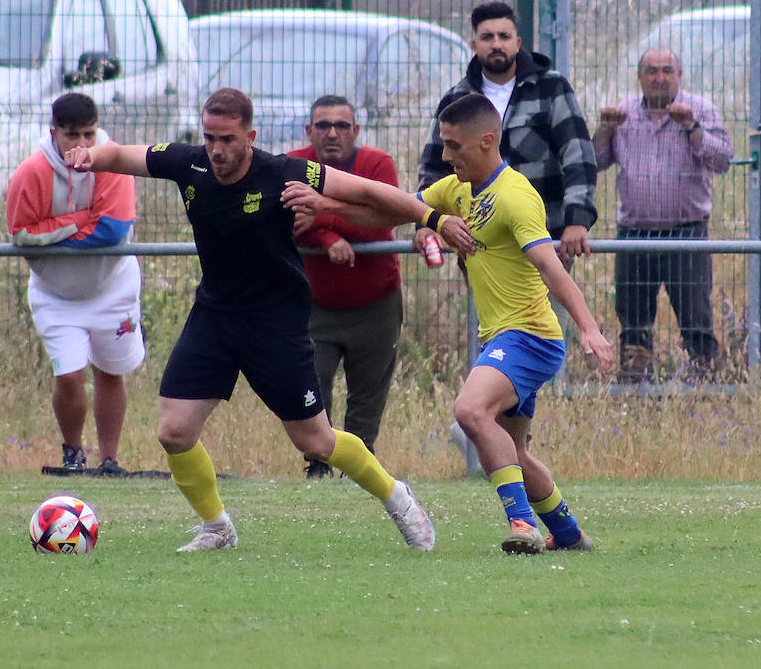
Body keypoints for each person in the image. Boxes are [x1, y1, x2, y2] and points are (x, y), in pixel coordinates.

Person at [65, 88, 464, 552]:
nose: (217, 149)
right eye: (210, 137)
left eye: (228, 139)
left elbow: (374, 193)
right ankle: (218, 527)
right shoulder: (187, 162)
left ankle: (399, 498)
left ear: (250, 137)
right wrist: (89, 155)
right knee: (173, 432)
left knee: (315, 442)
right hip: (214, 315)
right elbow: (119, 153)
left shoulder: (284, 172)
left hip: (275, 323)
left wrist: (433, 219)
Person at [287, 93, 614, 554]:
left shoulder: (515, 196)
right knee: (513, 453)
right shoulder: (457, 189)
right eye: (443, 144)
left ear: (486, 141)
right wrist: (328, 208)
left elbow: (550, 265)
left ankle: (522, 525)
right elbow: (392, 211)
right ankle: (568, 533)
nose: (445, 155)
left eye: (453, 146)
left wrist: (589, 328)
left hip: (531, 336)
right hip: (503, 337)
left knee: (470, 412)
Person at [7, 93, 143, 477]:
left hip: (113, 286)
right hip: (55, 294)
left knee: (110, 372)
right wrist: (84, 219)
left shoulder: (113, 159)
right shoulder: (31, 173)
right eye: (71, 136)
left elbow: (112, 231)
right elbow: (21, 235)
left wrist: (54, 234)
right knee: (68, 375)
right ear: (54, 133)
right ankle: (73, 453)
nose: (82, 145)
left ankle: (110, 460)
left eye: (88, 134)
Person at [416, 0, 597, 263]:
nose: (497, 44)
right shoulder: (457, 98)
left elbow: (578, 156)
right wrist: (427, 222)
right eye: (487, 37)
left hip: (545, 237)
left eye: (504, 36)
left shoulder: (551, 88)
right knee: (485, 307)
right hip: (479, 240)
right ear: (474, 44)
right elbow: (435, 166)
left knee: (544, 306)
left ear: (518, 43)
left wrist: (577, 220)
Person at [592, 46, 733, 381]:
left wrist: (692, 127)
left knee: (696, 317)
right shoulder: (623, 114)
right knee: (633, 321)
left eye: (667, 70)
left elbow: (723, 160)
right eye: (651, 71)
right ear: (640, 77)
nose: (659, 78)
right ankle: (634, 390)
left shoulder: (701, 110)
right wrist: (604, 130)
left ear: (679, 75)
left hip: (686, 232)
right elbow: (593, 163)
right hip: (635, 234)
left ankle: (705, 385)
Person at [287, 96, 404, 480]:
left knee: (367, 396)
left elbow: (383, 223)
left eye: (341, 125)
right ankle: (317, 465)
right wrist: (328, 237)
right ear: (310, 131)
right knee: (310, 383)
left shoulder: (377, 165)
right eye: (323, 125)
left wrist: (321, 211)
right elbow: (289, 224)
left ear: (356, 130)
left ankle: (361, 470)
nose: (332, 133)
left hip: (376, 301)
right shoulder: (293, 164)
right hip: (313, 302)